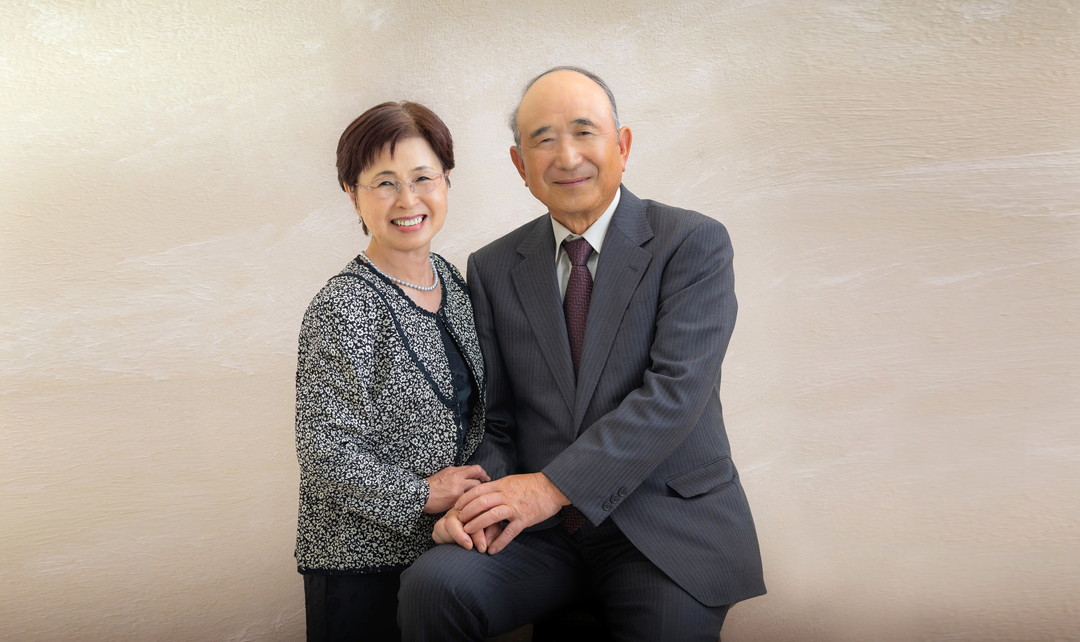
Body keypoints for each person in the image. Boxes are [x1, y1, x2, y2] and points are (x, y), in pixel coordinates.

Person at [398, 67, 765, 641]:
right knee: (435, 586)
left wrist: (546, 489)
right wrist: (480, 509)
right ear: (520, 165)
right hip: (542, 537)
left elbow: (673, 396)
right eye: (543, 139)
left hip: (664, 527)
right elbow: (498, 420)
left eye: (584, 131)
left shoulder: (692, 242)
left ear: (623, 146)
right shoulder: (493, 268)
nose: (567, 157)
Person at [293, 101, 489, 641]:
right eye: (384, 183)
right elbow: (325, 450)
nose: (407, 200)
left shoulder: (455, 282)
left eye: (423, 178)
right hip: (359, 568)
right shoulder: (342, 306)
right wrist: (422, 496)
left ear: (446, 182)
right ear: (351, 194)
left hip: (448, 556)